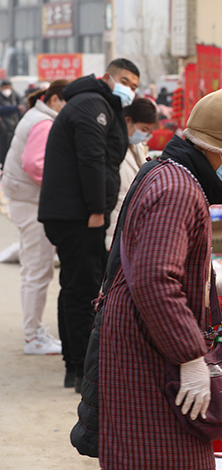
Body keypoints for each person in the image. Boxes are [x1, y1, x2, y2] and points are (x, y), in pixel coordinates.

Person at [96, 88, 222, 470]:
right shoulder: (178, 190)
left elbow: (155, 258)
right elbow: (155, 279)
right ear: (217, 150)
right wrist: (190, 356)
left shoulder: (167, 172)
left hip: (146, 334)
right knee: (165, 454)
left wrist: (211, 284)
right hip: (151, 347)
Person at [38, 59, 139, 391]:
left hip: (74, 213)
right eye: (125, 80)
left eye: (135, 86)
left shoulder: (96, 103)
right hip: (78, 215)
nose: (129, 89)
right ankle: (83, 371)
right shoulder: (92, 104)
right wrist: (97, 209)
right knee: (84, 291)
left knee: (75, 286)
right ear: (107, 77)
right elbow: (91, 158)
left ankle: (76, 366)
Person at [1, 80, 68, 355]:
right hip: (31, 201)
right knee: (37, 269)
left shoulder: (37, 115)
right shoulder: (44, 123)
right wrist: (62, 191)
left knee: (34, 267)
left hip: (25, 198)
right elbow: (34, 164)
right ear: (54, 100)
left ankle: (35, 331)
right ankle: (33, 336)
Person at [106, 98, 157, 247]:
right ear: (128, 120)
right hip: (112, 224)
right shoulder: (111, 146)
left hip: (128, 225)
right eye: (143, 129)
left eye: (148, 131)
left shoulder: (136, 146)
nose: (144, 135)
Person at [0, 79, 24, 165]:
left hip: (14, 127)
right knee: (3, 150)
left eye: (8, 86)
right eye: (4, 87)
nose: (6, 89)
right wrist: (15, 108)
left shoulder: (15, 96)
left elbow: (22, 107)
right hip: (3, 129)